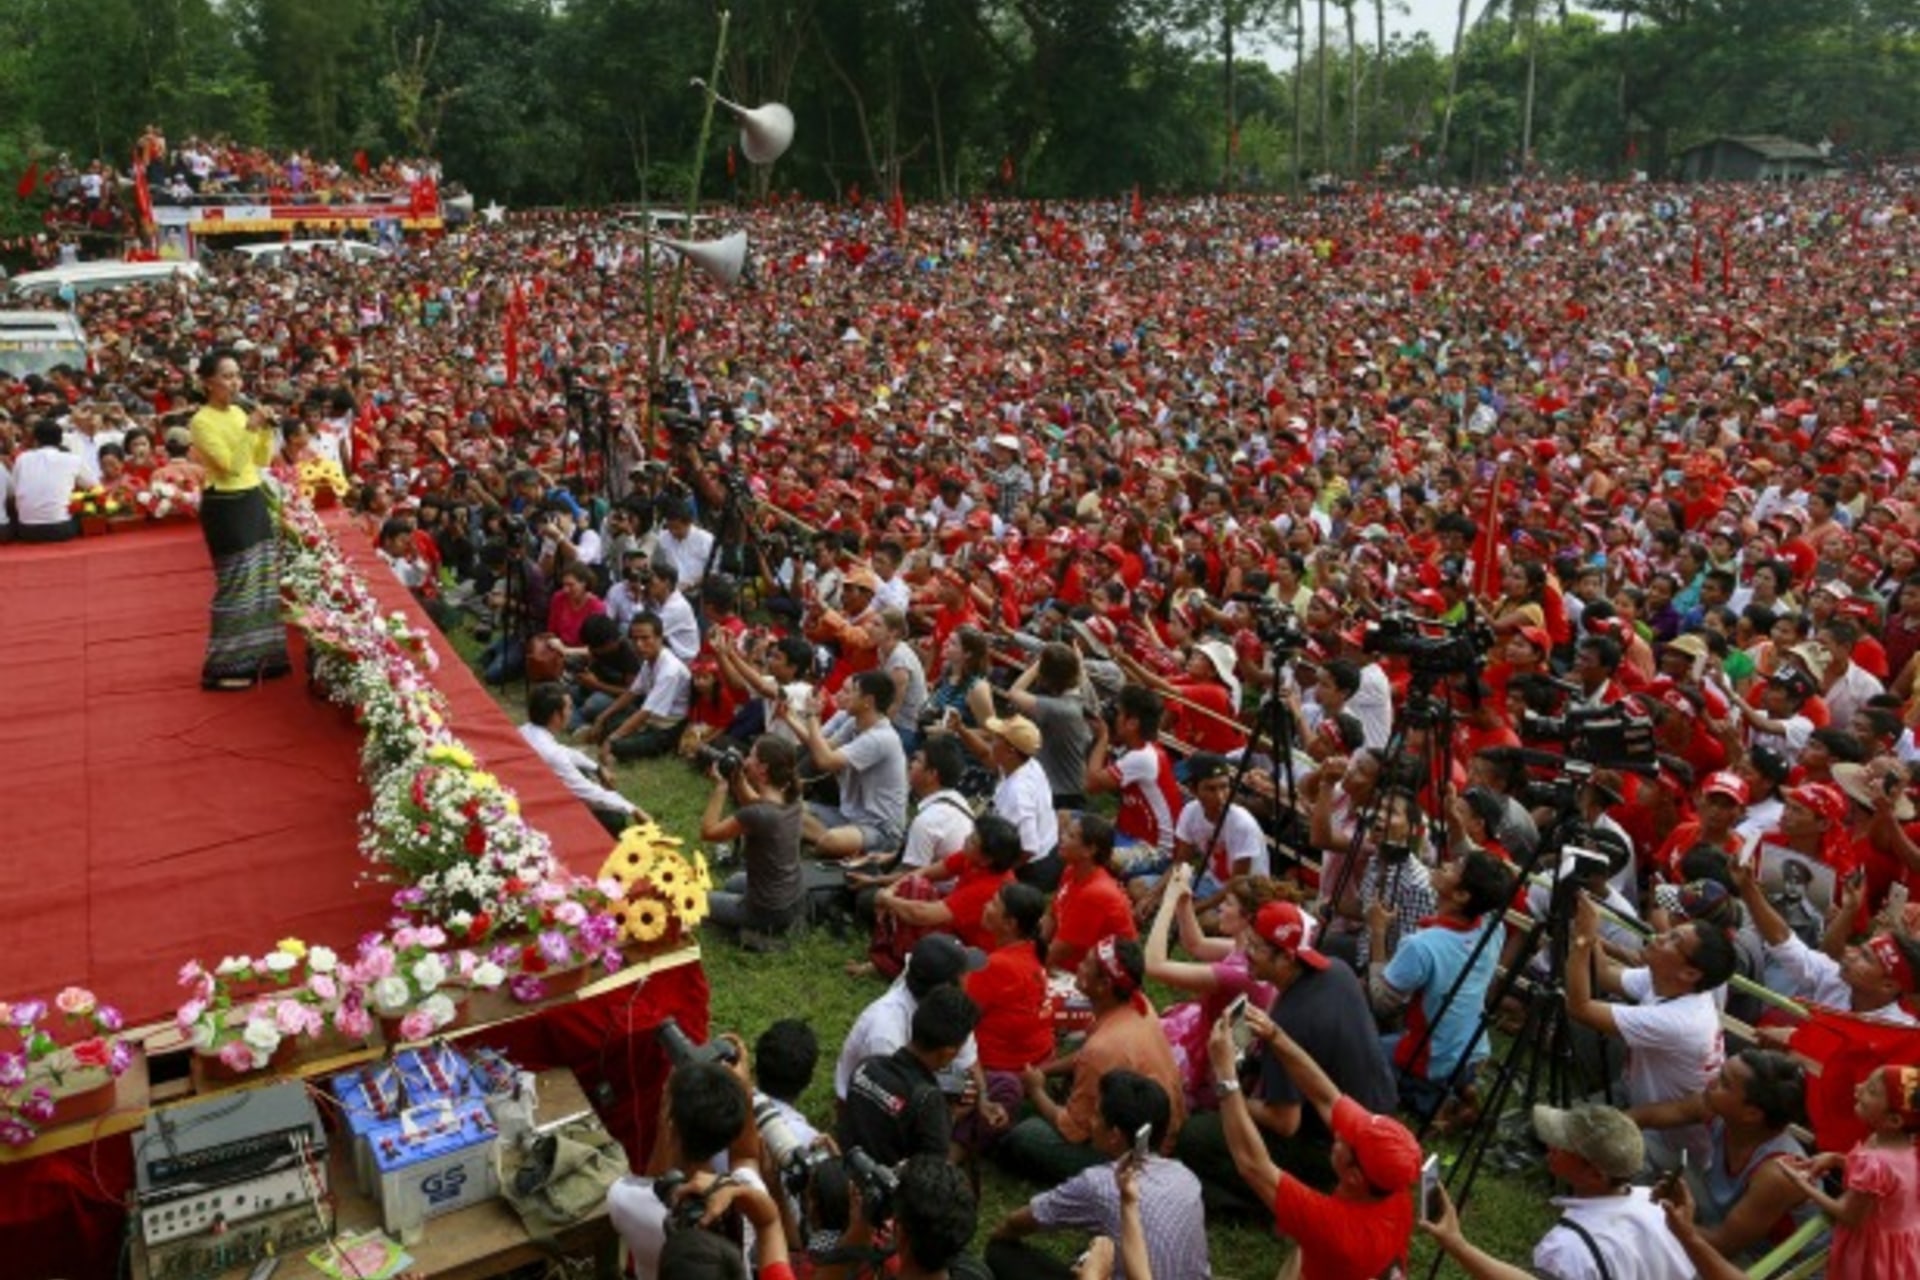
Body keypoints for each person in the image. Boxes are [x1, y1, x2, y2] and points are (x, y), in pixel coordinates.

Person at [1176, 901, 1397, 1212]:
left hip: (1337, 1153)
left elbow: (1284, 1122)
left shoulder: (1292, 1022)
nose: (1246, 952)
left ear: (1285, 957)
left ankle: (1277, 1205)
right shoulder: (1337, 970)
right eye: (1248, 941)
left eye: (1255, 947)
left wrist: (1226, 1091)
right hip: (1377, 1123)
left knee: (1196, 1136)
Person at [1203, 1005, 1419, 1280]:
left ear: (1354, 1177)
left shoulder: (1334, 1226)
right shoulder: (1393, 1182)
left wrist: (1225, 1076)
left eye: (1345, 1139)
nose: (1338, 1132)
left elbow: (1253, 1166)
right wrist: (1276, 1036)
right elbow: (1327, 1098)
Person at [1563, 892, 1736, 1171]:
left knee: (1570, 1155)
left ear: (1689, 974)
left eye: (1672, 940)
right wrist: (1587, 925)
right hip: (1640, 1105)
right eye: (1670, 933)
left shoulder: (1680, 1021)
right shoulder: (1668, 981)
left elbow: (1579, 1007)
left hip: (1672, 1150)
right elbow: (1605, 974)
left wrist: (1583, 940)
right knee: (1558, 1132)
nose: (1658, 937)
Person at [1421, 1104, 1694, 1280]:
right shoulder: (1658, 1205)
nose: (1550, 1143)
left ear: (1596, 1174)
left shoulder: (1570, 1248)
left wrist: (1457, 1244)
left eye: (1563, 1144)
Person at [988, 1071, 1209, 1280]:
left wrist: (998, 1234)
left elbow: (1020, 1222)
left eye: (1096, 1114)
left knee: (1000, 1254)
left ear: (1115, 1135)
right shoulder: (1186, 1177)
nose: (1091, 1120)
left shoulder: (1100, 1183)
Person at [1003, 937, 1186, 1184]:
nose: (1079, 965)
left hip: (1135, 1161)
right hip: (1152, 1131)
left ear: (1104, 985)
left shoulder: (1104, 1048)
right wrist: (1044, 1070)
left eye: (1087, 964)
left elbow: (1073, 1131)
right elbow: (1087, 1054)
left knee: (1026, 1134)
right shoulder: (1138, 1004)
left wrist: (1036, 1090)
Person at [1368, 848, 1514, 1122]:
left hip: (1434, 1058)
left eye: (1454, 868)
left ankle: (1434, 1101)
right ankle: (1463, 1086)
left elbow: (1381, 1001)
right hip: (1474, 1049)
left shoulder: (1422, 945)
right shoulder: (1494, 928)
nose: (1444, 864)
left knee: (1363, 1054)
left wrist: (1377, 931)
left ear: (1461, 896)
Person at [1628, 1048, 1810, 1261]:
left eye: (1724, 1083)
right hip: (1724, 1223)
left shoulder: (1778, 1174)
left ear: (1751, 1113)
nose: (1712, 1081)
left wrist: (1645, 1215)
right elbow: (1647, 1116)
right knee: (1642, 1143)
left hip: (1764, 1263)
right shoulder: (1718, 1108)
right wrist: (1599, 1133)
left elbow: (1723, 1246)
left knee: (1646, 1248)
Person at [606, 1042, 761, 1279]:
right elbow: (747, 1156)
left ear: (672, 1125)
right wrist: (744, 1091)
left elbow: (651, 1182)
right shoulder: (747, 1203)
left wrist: (665, 1116)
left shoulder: (626, 1202)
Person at [189, 352, 290, 689]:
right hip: (226, 505)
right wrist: (250, 428)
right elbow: (229, 466)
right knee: (237, 585)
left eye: (237, 376)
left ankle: (263, 656)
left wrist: (264, 431)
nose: (235, 383)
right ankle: (222, 667)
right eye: (227, 377)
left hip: (251, 497)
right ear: (207, 382)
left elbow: (259, 459)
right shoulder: (201, 421)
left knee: (262, 578)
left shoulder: (238, 411)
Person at [1143, 865, 1278, 1111]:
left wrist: (1169, 901)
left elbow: (1154, 965)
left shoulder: (1240, 973)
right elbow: (1196, 944)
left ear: (1246, 917)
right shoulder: (1248, 950)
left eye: (1227, 904)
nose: (1220, 908)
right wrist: (1184, 901)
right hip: (1213, 1031)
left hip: (1210, 1063)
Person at [1779, 1064, 1920, 1279]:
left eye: (1871, 1091)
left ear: (1894, 1120)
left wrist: (1804, 1186)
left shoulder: (1876, 1162)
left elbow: (1849, 1216)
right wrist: (1836, 1159)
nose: (1858, 1088)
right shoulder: (1907, 1148)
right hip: (1901, 1246)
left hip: (1871, 1254)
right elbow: (1884, 1185)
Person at [838, 984, 980, 1166]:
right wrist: (950, 1117)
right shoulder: (929, 1102)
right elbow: (931, 1174)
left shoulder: (867, 1066)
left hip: (848, 1170)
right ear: (948, 1053)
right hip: (887, 1188)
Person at [834, 933, 984, 1105]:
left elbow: (968, 1063)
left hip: (922, 1081)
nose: (970, 978)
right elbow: (883, 1104)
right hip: (878, 1106)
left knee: (988, 1087)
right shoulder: (885, 1032)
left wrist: (983, 1100)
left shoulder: (949, 1006)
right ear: (947, 987)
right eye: (964, 974)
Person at [789, 670, 910, 859]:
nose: (845, 696)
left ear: (868, 701)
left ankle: (833, 846)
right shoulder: (855, 723)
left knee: (832, 841)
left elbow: (825, 761)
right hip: (847, 817)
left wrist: (812, 715)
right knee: (784, 807)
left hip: (880, 830)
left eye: (852, 691)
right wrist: (798, 717)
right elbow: (823, 746)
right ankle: (831, 845)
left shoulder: (880, 738)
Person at [700, 735, 808, 948]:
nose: (745, 759)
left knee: (696, 901)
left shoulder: (758, 815)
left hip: (766, 910)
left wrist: (721, 787)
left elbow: (708, 832)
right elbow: (754, 803)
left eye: (751, 756)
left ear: (763, 769)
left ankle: (753, 934)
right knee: (732, 883)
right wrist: (738, 778)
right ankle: (758, 924)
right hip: (792, 897)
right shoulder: (791, 798)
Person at [520, 682, 644, 835]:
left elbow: (564, 752)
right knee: (613, 819)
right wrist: (632, 809)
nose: (572, 712)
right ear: (555, 716)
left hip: (530, 790)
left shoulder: (525, 731)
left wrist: (597, 768)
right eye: (569, 708)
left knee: (585, 771)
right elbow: (587, 792)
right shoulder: (550, 752)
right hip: (541, 808)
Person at [591, 612, 692, 759]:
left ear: (659, 638)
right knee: (609, 722)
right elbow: (631, 693)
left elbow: (646, 711)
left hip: (667, 728)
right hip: (650, 721)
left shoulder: (670, 670)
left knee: (616, 746)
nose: (639, 644)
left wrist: (612, 739)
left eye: (645, 638)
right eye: (635, 639)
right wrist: (602, 717)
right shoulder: (649, 661)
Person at [1045, 811, 1137, 971]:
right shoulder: (1071, 871)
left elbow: (1060, 950)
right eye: (1065, 832)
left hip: (1097, 980)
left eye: (1071, 836)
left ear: (1090, 850)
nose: (1062, 838)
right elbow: (1051, 916)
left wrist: (1028, 965)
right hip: (1074, 966)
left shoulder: (1096, 893)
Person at [10, 416, 95, 542]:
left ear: (35, 440)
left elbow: (15, 491)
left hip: (26, 530)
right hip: (61, 529)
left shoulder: (22, 459)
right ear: (61, 440)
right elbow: (94, 486)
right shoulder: (72, 459)